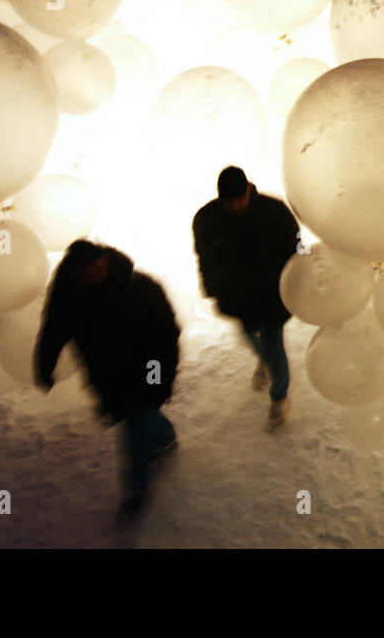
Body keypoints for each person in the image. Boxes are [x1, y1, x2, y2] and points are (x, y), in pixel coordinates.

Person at [35, 240, 180, 528]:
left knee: (134, 429)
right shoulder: (68, 296)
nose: (94, 276)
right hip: (107, 374)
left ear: (106, 262)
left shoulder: (139, 287)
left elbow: (166, 333)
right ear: (75, 275)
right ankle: (166, 438)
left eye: (98, 269)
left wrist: (161, 377)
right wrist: (44, 364)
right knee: (141, 416)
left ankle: (135, 492)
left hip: (146, 369)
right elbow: (53, 330)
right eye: (86, 273)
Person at [193, 166, 301, 433]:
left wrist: (301, 280)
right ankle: (263, 360)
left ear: (249, 189)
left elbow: (298, 247)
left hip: (274, 295)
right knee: (250, 334)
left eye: (239, 198)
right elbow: (204, 258)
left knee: (274, 345)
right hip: (238, 296)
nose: (235, 206)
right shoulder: (206, 219)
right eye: (228, 201)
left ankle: (279, 396)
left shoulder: (274, 212)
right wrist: (212, 288)